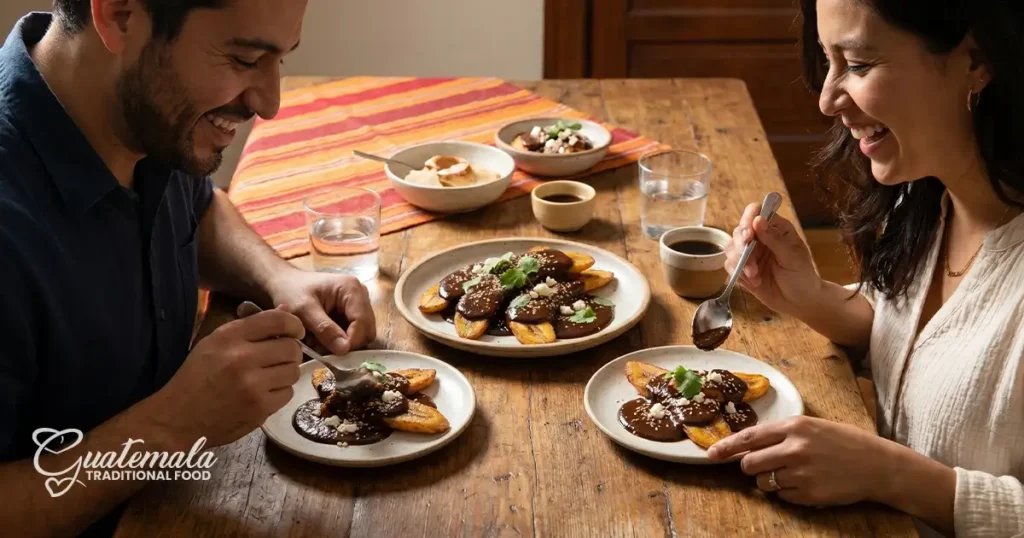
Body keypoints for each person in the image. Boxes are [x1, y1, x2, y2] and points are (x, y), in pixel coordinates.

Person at [0, 1, 376, 536]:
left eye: (281, 61)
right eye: (245, 59)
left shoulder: (144, 117)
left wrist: (278, 278)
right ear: (121, 15)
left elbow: (199, 207)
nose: (269, 104)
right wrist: (169, 427)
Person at [706, 0, 1024, 536]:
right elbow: (932, 348)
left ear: (976, 58)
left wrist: (889, 474)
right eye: (827, 61)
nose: (829, 100)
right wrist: (810, 297)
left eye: (857, 65)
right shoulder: (927, 197)